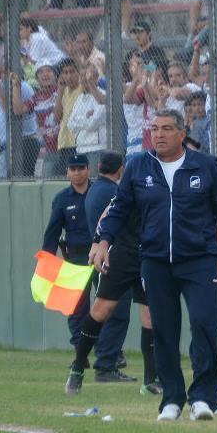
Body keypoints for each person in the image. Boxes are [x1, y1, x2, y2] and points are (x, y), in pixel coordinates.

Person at [92, 110, 217, 421]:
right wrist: (102, 241)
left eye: (166, 128)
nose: (158, 134)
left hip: (201, 260)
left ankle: (203, 397)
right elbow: (119, 210)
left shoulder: (205, 166)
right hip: (156, 261)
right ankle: (172, 399)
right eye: (154, 128)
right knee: (163, 330)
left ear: (182, 132)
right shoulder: (138, 167)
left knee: (204, 323)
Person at [69, 151, 156, 394]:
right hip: (122, 256)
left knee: (150, 317)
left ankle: (150, 380)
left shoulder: (162, 191)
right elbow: (106, 219)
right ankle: (77, 368)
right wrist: (100, 244)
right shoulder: (125, 192)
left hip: (149, 257)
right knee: (101, 311)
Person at [43, 154, 100, 350]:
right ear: (67, 172)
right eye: (73, 169)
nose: (77, 173)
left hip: (101, 255)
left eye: (81, 168)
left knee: (105, 304)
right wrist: (47, 261)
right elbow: (53, 232)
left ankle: (109, 351)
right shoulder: (62, 199)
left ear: (88, 170)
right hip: (75, 257)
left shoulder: (99, 193)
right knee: (75, 306)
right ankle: (80, 350)